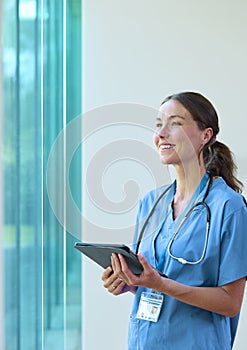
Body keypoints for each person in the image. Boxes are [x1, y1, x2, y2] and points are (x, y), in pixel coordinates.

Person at [101, 91, 247, 349]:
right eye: (158, 125)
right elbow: (152, 280)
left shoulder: (229, 207)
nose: (161, 134)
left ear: (206, 135)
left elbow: (230, 303)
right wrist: (129, 282)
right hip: (144, 341)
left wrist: (161, 284)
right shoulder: (150, 203)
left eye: (175, 123)